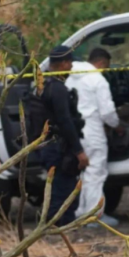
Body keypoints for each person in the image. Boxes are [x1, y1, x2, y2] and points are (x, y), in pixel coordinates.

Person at [66, 48, 123, 227]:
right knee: (95, 173)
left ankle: (81, 212)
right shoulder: (98, 79)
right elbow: (107, 112)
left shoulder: (69, 75)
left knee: (81, 173)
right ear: (102, 63)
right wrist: (118, 125)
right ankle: (93, 216)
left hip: (75, 130)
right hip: (93, 130)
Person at [39, 45, 89, 226]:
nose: (71, 68)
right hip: (59, 149)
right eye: (70, 64)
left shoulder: (42, 85)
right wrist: (79, 151)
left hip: (49, 146)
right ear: (64, 63)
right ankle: (58, 233)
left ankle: (57, 230)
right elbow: (65, 121)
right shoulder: (57, 89)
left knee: (58, 192)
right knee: (64, 195)